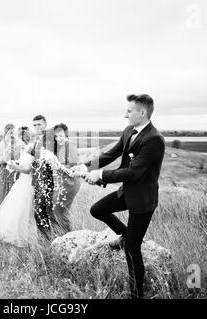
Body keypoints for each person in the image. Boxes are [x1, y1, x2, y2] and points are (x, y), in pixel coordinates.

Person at [71, 94, 165, 299]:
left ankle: (137, 294)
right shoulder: (129, 130)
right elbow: (111, 154)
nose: (125, 115)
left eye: (129, 111)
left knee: (132, 249)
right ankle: (125, 235)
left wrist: (101, 175)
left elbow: (133, 173)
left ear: (142, 112)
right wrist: (87, 166)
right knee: (97, 210)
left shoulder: (154, 140)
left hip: (142, 200)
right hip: (127, 192)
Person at [0, 141, 37, 247]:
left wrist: (16, 167)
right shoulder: (26, 151)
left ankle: (26, 236)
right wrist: (15, 165)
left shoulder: (35, 154)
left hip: (28, 183)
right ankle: (14, 232)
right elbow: (23, 166)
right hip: (21, 182)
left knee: (24, 210)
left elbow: (29, 170)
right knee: (15, 208)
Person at [51, 123, 81, 236]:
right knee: (57, 210)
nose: (58, 139)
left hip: (69, 183)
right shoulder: (60, 147)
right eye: (56, 136)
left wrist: (57, 166)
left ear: (66, 135)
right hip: (61, 182)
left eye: (60, 136)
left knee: (60, 211)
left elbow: (73, 168)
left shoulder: (70, 146)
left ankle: (67, 236)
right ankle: (61, 235)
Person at [30, 115, 55, 239]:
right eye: (34, 125)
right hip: (38, 180)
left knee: (39, 211)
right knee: (40, 212)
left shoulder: (50, 138)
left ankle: (48, 240)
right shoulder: (38, 139)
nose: (36, 127)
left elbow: (50, 158)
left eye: (39, 124)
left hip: (47, 181)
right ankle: (46, 240)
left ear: (45, 124)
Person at [0, 124, 23, 209]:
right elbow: (0, 161)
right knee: (4, 195)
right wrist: (7, 151)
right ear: (6, 134)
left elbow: (23, 158)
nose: (12, 135)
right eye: (9, 133)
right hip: (5, 172)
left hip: (16, 172)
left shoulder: (20, 143)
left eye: (13, 132)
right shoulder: (3, 143)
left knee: (15, 195)